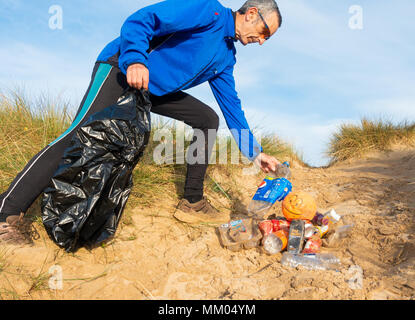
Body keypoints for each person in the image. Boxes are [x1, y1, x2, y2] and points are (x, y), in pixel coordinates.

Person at [0, 0, 283, 243]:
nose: (262, 40)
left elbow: (232, 107)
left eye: (267, 39)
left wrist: (256, 154)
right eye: (264, 32)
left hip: (150, 88)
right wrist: (135, 59)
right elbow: (142, 19)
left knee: (207, 118)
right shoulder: (208, 11)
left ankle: (192, 202)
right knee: (77, 135)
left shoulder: (227, 57)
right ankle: (6, 212)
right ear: (251, 13)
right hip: (121, 68)